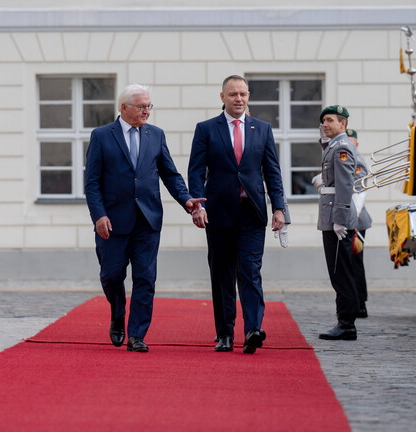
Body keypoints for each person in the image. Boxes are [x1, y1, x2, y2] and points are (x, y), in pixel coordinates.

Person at [85, 84, 204, 353]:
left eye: (149, 106)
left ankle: (136, 334)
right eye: (141, 106)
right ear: (124, 107)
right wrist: (99, 215)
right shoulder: (102, 136)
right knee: (111, 275)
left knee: (145, 278)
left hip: (147, 220)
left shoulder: (156, 135)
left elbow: (170, 174)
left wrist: (187, 200)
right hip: (112, 221)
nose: (147, 111)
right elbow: (91, 183)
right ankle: (118, 312)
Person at [188, 75, 286, 354]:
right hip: (217, 214)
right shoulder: (206, 129)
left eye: (243, 94)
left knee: (250, 271)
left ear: (249, 96)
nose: (239, 99)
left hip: (252, 212)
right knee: (222, 275)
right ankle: (225, 334)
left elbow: (273, 172)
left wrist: (279, 207)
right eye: (233, 94)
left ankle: (254, 329)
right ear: (222, 98)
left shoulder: (262, 129)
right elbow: (196, 171)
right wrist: (198, 206)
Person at [316, 105, 360, 341]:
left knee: (341, 273)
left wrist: (340, 220)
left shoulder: (342, 147)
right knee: (338, 272)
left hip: (337, 217)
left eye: (330, 120)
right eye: (323, 120)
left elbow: (344, 185)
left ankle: (347, 324)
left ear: (343, 124)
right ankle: (344, 321)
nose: (325, 124)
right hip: (331, 215)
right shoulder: (333, 145)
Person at [346, 128, 372, 318]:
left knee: (355, 262)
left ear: (356, 144)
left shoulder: (357, 159)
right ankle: (353, 301)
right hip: (345, 217)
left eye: (351, 142)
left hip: (356, 218)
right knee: (348, 264)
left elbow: (358, 187)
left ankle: (360, 303)